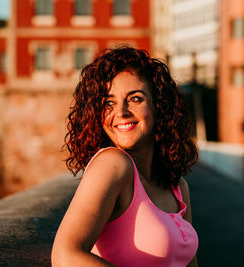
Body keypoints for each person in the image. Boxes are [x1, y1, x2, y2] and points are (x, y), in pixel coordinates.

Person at [51, 46, 199, 267]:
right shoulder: (113, 165)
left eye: (135, 99)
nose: (121, 112)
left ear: (159, 106)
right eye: (108, 103)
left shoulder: (178, 187)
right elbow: (65, 256)